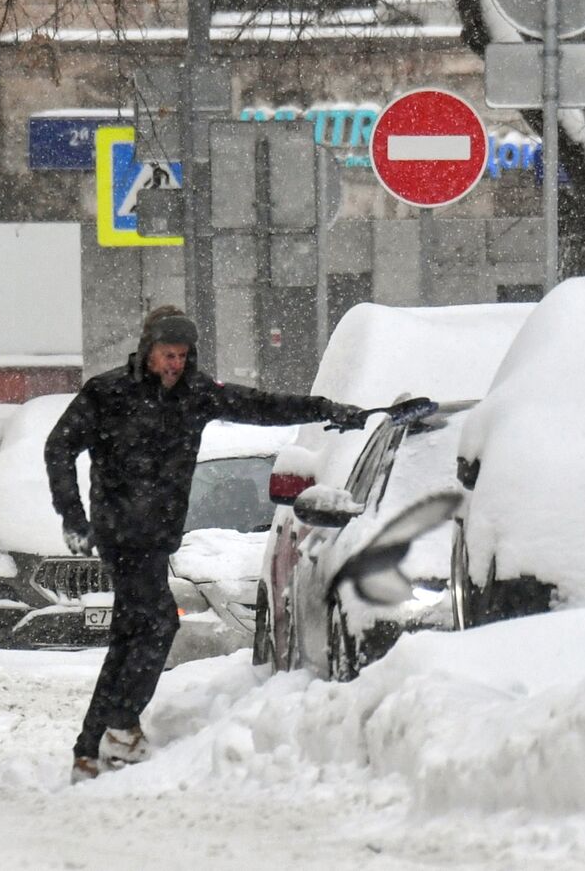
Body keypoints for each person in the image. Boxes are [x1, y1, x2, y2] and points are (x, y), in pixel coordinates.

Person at [45, 306, 366, 784]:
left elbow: (260, 405)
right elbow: (59, 446)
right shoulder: (108, 393)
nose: (174, 363)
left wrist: (326, 410)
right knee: (156, 624)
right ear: (147, 350)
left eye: (181, 355)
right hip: (120, 532)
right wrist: (73, 516)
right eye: (166, 354)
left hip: (158, 536)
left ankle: (90, 749)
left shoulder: (197, 394)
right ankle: (121, 726)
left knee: (130, 636)